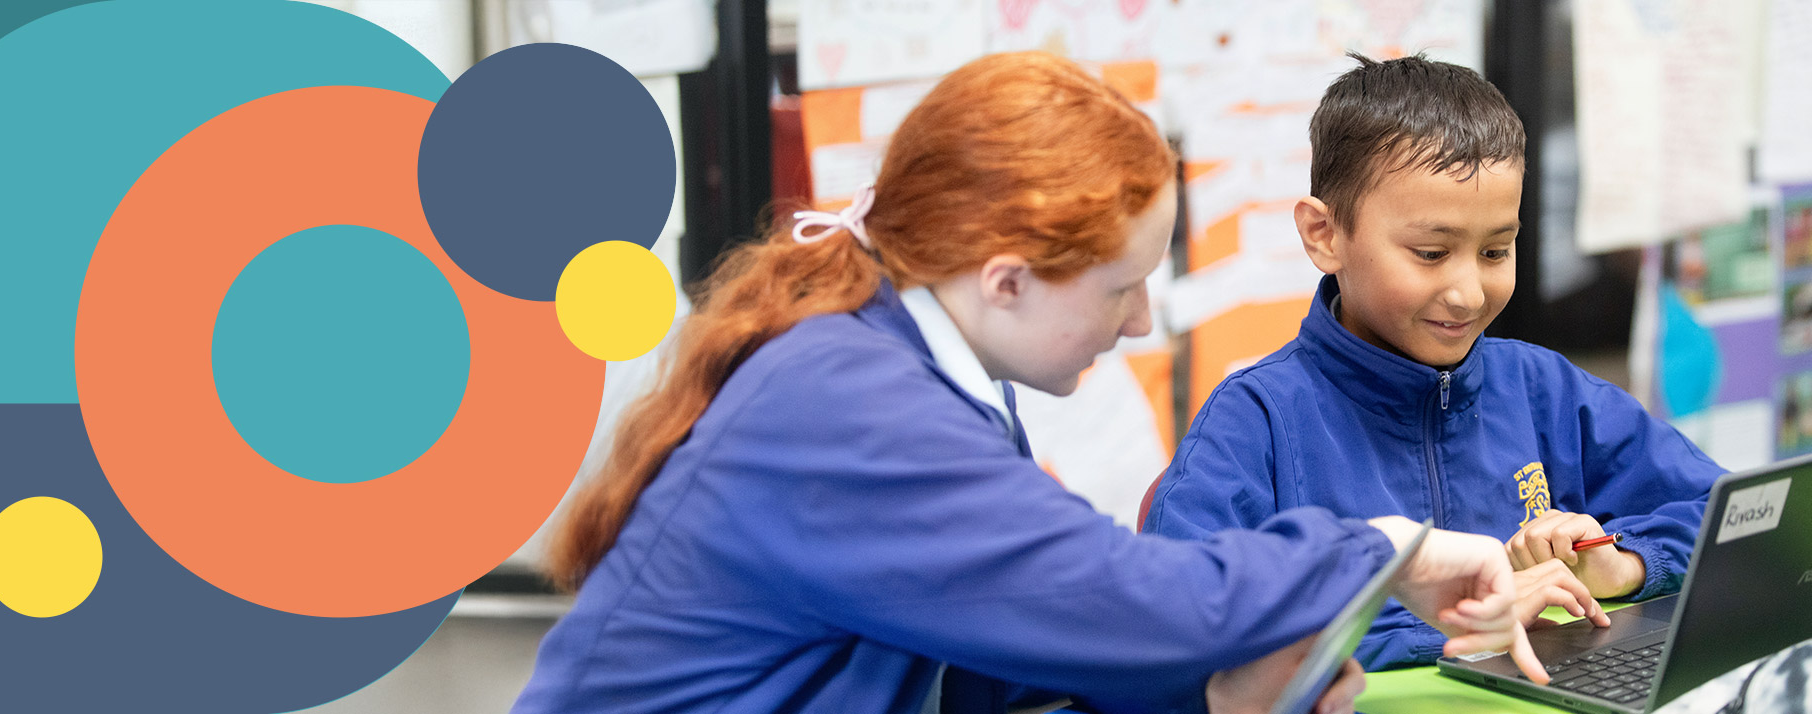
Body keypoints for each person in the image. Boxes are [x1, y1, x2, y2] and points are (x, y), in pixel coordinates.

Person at [514, 52, 1545, 714]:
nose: (1141, 321)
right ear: (1005, 281)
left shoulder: (913, 367)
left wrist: (1212, 692)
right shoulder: (851, 408)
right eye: (1120, 290)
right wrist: (1381, 549)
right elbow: (1110, 595)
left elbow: (1008, 642)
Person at [1140, 53, 1724, 672]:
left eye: (1497, 250)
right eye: (1430, 252)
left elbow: (1729, 516)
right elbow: (1175, 623)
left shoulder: (1543, 390)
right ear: (1324, 235)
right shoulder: (1257, 421)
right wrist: (1463, 621)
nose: (1469, 292)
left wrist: (1625, 564)